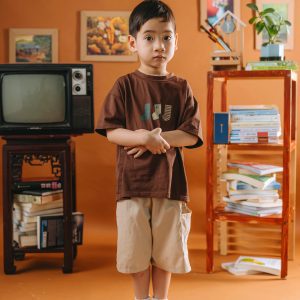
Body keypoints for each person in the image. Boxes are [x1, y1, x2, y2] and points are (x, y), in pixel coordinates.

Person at [96, 1, 203, 299]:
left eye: (167, 37)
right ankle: (142, 297)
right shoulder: (124, 86)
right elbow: (111, 131)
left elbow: (191, 136)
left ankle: (162, 297)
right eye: (149, 37)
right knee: (136, 251)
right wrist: (141, 137)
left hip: (170, 185)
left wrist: (158, 139)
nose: (159, 45)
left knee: (166, 252)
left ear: (176, 42)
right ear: (133, 42)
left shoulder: (182, 88)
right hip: (132, 185)